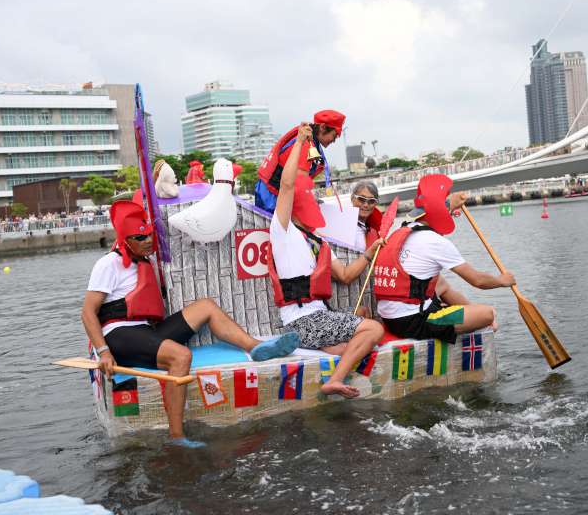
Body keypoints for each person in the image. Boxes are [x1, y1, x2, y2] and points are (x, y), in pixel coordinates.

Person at [82, 199, 300, 445]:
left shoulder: (145, 260)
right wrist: (103, 352)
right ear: (125, 240)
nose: (148, 241)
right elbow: (88, 313)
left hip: (146, 331)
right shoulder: (108, 264)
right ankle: (177, 436)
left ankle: (255, 347)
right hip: (119, 334)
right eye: (140, 238)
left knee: (206, 306)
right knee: (181, 356)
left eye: (149, 235)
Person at [269, 122, 384, 399]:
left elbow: (344, 275)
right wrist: (299, 142)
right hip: (302, 320)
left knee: (359, 332)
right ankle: (334, 380)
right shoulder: (283, 232)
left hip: (318, 316)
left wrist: (369, 253)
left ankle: (314, 348)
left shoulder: (318, 241)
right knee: (374, 329)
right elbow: (286, 185)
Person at [374, 174, 515, 344]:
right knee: (488, 314)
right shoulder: (436, 242)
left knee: (440, 283)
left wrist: (450, 204)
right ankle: (474, 317)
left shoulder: (405, 228)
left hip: (390, 316)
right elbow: (477, 280)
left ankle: (469, 315)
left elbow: (433, 210)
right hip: (413, 321)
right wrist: (502, 281)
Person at [350, 180, 468, 306]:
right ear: (352, 199)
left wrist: (448, 206)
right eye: (361, 199)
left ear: (376, 203)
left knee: (439, 281)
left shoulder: (372, 229)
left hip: (382, 279)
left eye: (371, 201)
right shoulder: (346, 227)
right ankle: (477, 313)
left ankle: (474, 312)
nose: (366, 204)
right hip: (366, 286)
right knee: (439, 283)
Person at [255, 110, 346, 213]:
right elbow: (300, 183)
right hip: (272, 199)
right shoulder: (306, 143)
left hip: (269, 194)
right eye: (334, 136)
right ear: (323, 127)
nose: (333, 141)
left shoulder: (310, 140)